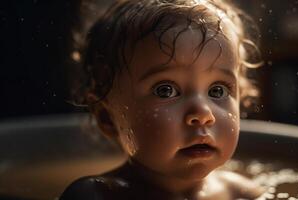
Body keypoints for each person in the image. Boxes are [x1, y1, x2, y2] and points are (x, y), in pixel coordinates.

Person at [60, 0, 264, 199]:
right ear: (108, 118)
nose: (202, 114)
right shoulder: (96, 195)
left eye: (217, 91)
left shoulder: (242, 193)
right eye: (165, 90)